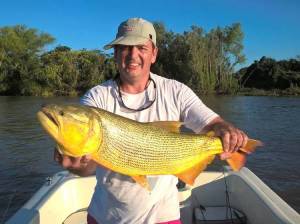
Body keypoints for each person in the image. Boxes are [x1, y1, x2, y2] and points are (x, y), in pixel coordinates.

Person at [54, 18, 249, 224]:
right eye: (125, 48)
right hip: (107, 217)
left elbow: (211, 123)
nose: (132, 55)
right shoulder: (96, 98)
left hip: (164, 217)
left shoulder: (176, 91)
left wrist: (227, 132)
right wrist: (75, 165)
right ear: (115, 54)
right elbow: (87, 167)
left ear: (154, 54)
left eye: (141, 48)